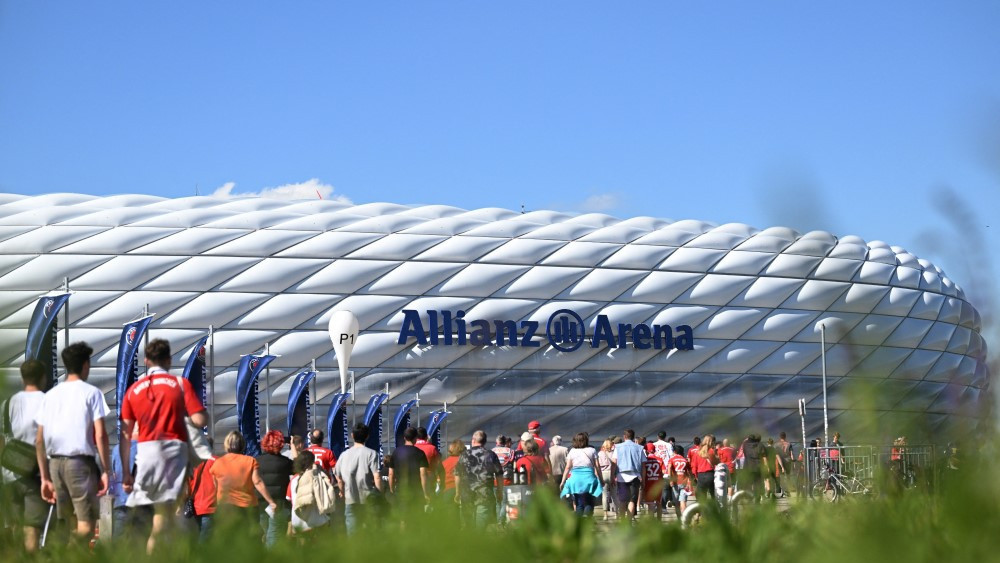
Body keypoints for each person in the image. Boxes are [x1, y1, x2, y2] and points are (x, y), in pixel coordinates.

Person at [120, 338, 208, 554]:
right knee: (165, 518)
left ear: (147, 361)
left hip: (145, 455)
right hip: (172, 455)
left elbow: (125, 434)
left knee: (151, 516)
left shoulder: (133, 390)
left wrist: (125, 473)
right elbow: (199, 420)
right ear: (168, 360)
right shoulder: (179, 384)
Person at [34, 342, 111, 545]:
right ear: (85, 365)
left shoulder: (50, 396)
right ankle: (61, 556)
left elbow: (39, 439)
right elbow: (101, 434)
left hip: (55, 464)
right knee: (86, 527)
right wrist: (106, 470)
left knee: (69, 525)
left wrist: (44, 477)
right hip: (79, 464)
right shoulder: (91, 393)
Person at [1, 360, 46, 551]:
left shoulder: (7, 404)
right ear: (43, 378)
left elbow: (2, 440)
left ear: (22, 378)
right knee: (32, 529)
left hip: (9, 474)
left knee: (13, 526)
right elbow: (45, 441)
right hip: (35, 474)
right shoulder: (47, 401)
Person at [210, 431, 278, 535]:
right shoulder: (250, 461)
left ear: (226, 444)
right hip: (247, 507)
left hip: (225, 508)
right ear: (242, 444)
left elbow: (214, 487)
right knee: (249, 539)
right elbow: (257, 482)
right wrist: (271, 502)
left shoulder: (218, 463)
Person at [333, 423, 383, 535]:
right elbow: (377, 477)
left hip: (350, 499)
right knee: (371, 533)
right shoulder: (372, 454)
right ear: (367, 436)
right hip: (368, 499)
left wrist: (342, 491)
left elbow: (338, 477)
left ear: (352, 435)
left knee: (353, 534)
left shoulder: (344, 455)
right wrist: (380, 494)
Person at [456, 430, 502, 528]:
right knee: (481, 526)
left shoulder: (464, 455)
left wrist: (457, 492)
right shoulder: (491, 455)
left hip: (467, 494)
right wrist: (500, 491)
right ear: (485, 441)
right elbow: (499, 474)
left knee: (468, 526)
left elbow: (457, 474)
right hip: (484, 494)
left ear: (473, 440)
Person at [256, 430, 293, 547]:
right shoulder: (285, 462)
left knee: (267, 532)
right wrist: (293, 446)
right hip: (278, 502)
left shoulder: (257, 460)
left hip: (261, 501)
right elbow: (299, 467)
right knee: (274, 533)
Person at [388, 426, 430, 516]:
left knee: (402, 518)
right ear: (416, 438)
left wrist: (391, 490)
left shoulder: (396, 452)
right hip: (416, 491)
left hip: (401, 491)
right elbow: (423, 474)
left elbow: (391, 473)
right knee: (416, 518)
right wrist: (425, 493)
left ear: (404, 438)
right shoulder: (420, 453)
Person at [558, 433, 602, 517]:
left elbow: (567, 467)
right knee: (589, 501)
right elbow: (597, 466)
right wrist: (601, 479)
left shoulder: (572, 451)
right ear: (586, 440)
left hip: (575, 479)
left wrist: (563, 482)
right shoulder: (592, 450)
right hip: (589, 478)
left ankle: (579, 523)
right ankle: (587, 519)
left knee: (578, 502)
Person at [287, 451, 328, 536]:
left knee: (302, 547)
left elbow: (289, 498)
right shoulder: (318, 477)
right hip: (316, 520)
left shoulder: (293, 480)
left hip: (299, 520)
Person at [611, 428, 646, 521]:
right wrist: (643, 480)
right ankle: (629, 521)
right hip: (635, 476)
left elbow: (614, 463)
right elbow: (643, 466)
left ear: (624, 436)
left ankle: (622, 522)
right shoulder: (639, 448)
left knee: (622, 500)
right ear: (633, 437)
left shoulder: (618, 447)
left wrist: (612, 477)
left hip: (621, 476)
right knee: (632, 500)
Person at [188, 442, 217, 542]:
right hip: (210, 505)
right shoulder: (215, 461)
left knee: (200, 534)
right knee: (205, 539)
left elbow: (188, 483)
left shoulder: (193, 462)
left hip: (195, 505)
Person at [414, 427, 443, 491]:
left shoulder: (411, 448)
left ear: (416, 437)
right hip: (429, 478)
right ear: (426, 437)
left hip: (414, 478)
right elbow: (439, 466)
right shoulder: (432, 448)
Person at [691, 435, 718, 499]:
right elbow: (716, 462)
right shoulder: (711, 451)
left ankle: (704, 508)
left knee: (702, 496)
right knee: (713, 494)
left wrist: (695, 475)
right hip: (710, 474)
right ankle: (714, 508)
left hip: (701, 475)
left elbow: (694, 465)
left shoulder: (698, 452)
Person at [641, 450, 666, 519]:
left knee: (650, 504)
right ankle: (659, 520)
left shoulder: (645, 460)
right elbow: (664, 471)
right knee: (659, 503)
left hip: (648, 482)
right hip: (658, 482)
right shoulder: (660, 459)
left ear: (646, 451)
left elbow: (643, 471)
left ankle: (651, 521)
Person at [667, 445, 690, 518]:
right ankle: (684, 517)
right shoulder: (685, 460)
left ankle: (679, 518)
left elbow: (669, 468)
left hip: (675, 482)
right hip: (684, 482)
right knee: (683, 501)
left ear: (675, 451)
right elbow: (689, 472)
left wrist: (670, 479)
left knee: (676, 502)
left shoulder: (672, 459)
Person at [597, 439, 616, 519]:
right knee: (614, 494)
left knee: (604, 495)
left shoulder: (600, 454)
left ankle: (605, 514)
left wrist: (598, 476)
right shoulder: (613, 453)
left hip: (603, 474)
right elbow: (615, 464)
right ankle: (616, 513)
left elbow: (597, 465)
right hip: (611, 474)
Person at [775, 432, 793, 498]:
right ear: (785, 437)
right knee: (788, 476)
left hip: (780, 461)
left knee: (781, 477)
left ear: (780, 437)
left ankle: (783, 491)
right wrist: (792, 461)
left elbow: (776, 454)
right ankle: (788, 491)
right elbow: (791, 454)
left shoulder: (776, 445)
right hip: (788, 461)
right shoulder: (789, 444)